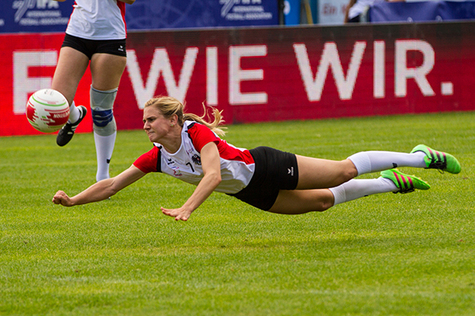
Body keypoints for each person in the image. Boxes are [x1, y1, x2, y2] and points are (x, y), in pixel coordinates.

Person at [52, 96, 462, 221]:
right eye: (144, 122)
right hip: (248, 192)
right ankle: (391, 183)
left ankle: (418, 157)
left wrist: (187, 208)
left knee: (342, 171)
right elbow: (110, 184)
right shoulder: (157, 157)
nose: (145, 127)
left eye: (151, 121)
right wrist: (74, 200)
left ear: (173, 120)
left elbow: (212, 175)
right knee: (320, 202)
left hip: (263, 164)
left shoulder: (197, 132)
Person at [51, 0, 135, 182]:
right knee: (57, 104)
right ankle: (74, 116)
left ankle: (102, 177)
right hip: (77, 32)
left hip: (111, 36)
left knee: (102, 112)